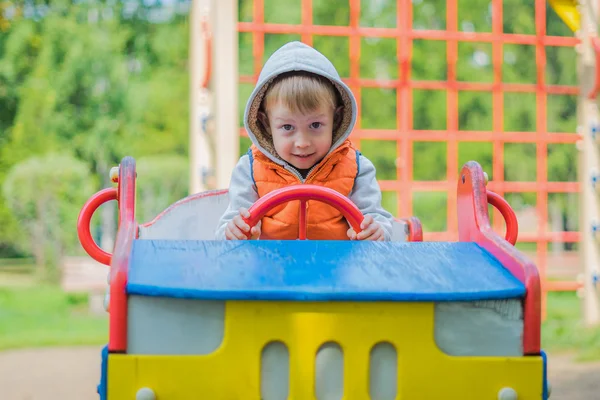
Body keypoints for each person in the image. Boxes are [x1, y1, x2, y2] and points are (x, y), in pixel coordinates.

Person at [215, 41, 393, 241]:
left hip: (337, 268)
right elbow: (229, 227)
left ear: (335, 120)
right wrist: (234, 231)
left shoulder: (356, 168)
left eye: (315, 125)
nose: (302, 142)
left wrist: (377, 231)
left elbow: (377, 219)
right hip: (271, 268)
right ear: (266, 124)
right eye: (288, 127)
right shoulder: (249, 169)